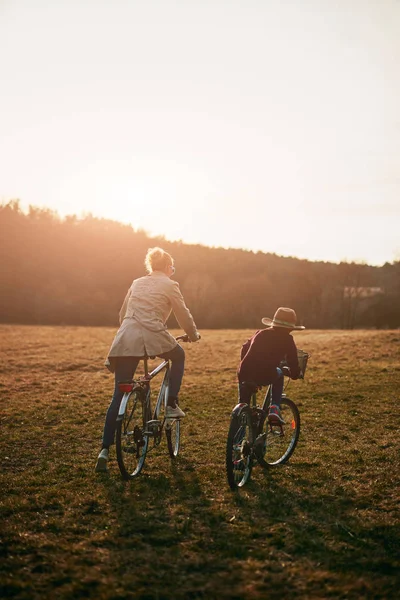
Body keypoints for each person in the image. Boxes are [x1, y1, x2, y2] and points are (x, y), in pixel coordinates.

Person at [95, 247, 200, 472]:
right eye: (172, 266)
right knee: (178, 355)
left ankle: (104, 450)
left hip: (126, 337)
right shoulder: (171, 285)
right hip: (153, 335)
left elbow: (122, 314)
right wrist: (193, 335)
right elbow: (183, 313)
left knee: (118, 395)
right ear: (168, 267)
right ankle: (171, 404)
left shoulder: (137, 282)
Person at [237, 307, 305, 423]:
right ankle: (274, 408)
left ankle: (238, 436)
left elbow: (245, 347)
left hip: (244, 372)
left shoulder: (261, 333)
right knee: (279, 373)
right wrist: (295, 374)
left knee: (244, 407)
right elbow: (293, 361)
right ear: (290, 328)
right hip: (266, 373)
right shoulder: (287, 339)